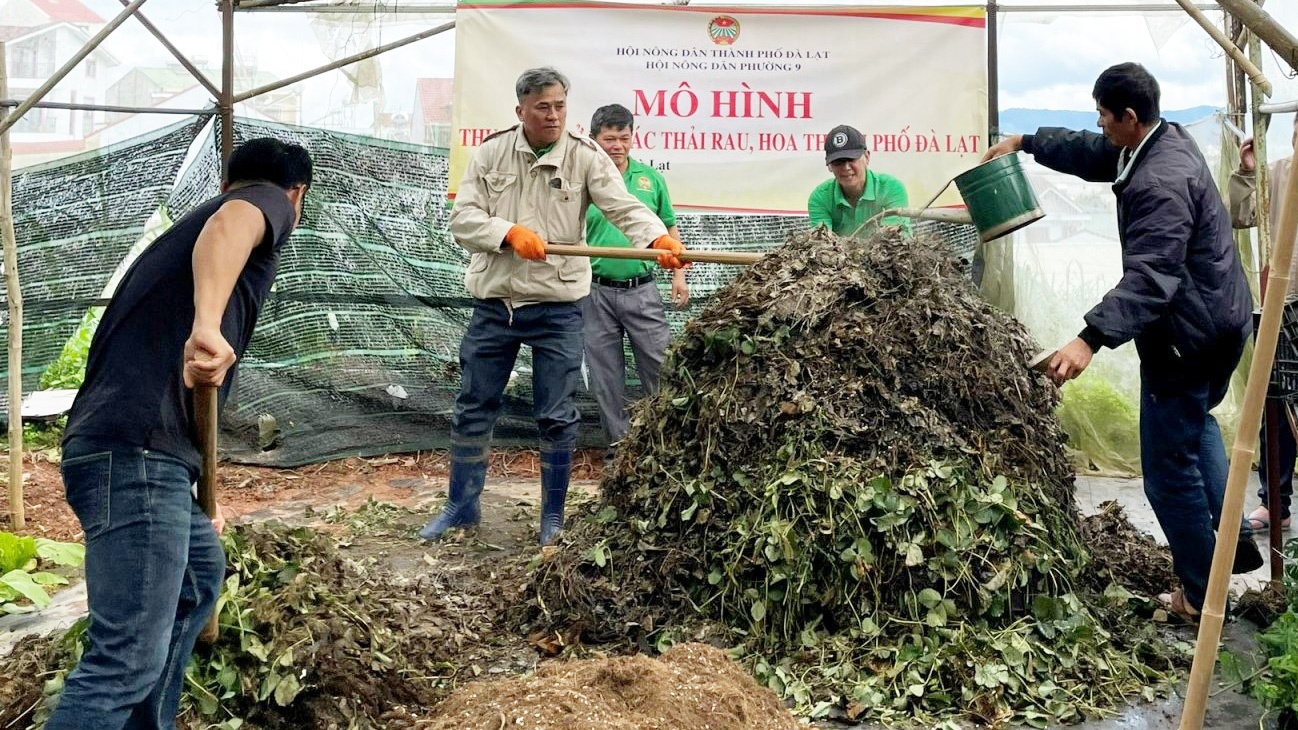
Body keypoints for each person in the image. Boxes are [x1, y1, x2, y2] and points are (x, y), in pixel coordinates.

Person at [982, 62, 1262, 621]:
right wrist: (1025, 141)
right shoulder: (1160, 142)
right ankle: (1233, 542)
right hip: (1219, 321)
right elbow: (1093, 152)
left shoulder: (1160, 183)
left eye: (1105, 115)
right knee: (1195, 425)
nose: (1100, 123)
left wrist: (1089, 338)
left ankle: (1200, 599)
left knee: (1167, 473)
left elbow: (1152, 278)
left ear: (1130, 117)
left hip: (1186, 335)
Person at [48, 138, 312, 730]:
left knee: (197, 577)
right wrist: (208, 327)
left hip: (141, 452)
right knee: (124, 660)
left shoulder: (181, 240)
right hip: (135, 455)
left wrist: (190, 491)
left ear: (223, 181)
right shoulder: (259, 204)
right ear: (296, 196)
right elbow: (233, 224)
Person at [421, 68, 686, 546]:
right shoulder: (492, 152)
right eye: (543, 107)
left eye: (560, 105)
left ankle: (553, 518)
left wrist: (656, 238)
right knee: (474, 406)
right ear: (520, 109)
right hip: (496, 303)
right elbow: (463, 219)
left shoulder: (585, 157)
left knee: (556, 414)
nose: (553, 115)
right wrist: (507, 234)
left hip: (558, 307)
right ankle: (460, 506)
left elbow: (622, 206)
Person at [582, 103, 688, 453]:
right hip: (594, 292)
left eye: (623, 138)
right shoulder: (583, 180)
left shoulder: (650, 179)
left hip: (641, 290)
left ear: (632, 138)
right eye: (608, 139)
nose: (616, 145)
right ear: (593, 139)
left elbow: (668, 226)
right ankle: (620, 450)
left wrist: (678, 275)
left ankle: (663, 447)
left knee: (660, 367)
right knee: (605, 377)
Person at [1229, 115, 1298, 534]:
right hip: (1283, 302)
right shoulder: (1279, 172)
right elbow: (1241, 216)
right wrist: (1248, 171)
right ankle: (1275, 503)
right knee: (1274, 405)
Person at [807, 124, 911, 238]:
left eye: (852, 159)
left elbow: (893, 241)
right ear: (829, 166)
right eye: (839, 161)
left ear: (867, 157)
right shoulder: (820, 198)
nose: (846, 167)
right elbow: (822, 243)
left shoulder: (891, 189)